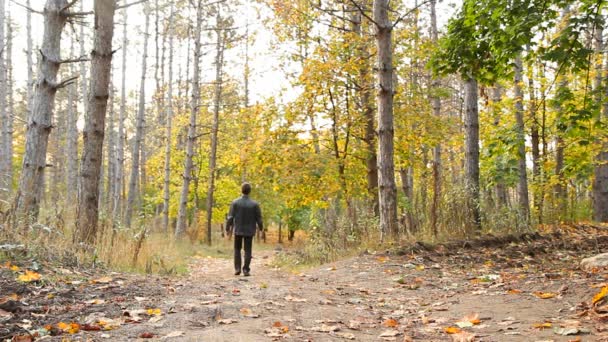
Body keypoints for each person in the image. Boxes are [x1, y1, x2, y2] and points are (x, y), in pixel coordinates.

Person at [226, 183, 263, 276]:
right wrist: (261, 228)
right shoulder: (255, 204)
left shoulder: (235, 202)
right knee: (248, 250)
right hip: (250, 231)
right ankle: (246, 270)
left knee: (237, 249)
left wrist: (228, 227)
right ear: (249, 191)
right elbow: (259, 218)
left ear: (241, 190)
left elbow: (230, 217)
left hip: (238, 229)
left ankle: (237, 269)